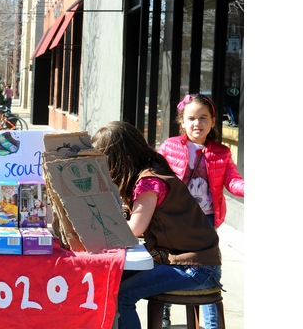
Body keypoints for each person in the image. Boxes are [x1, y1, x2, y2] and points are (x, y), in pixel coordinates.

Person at [91, 121, 222, 329]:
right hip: (182, 260)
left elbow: (135, 229)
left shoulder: (149, 182)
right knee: (109, 277)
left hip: (196, 268)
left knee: (124, 294)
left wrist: (94, 226)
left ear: (122, 158)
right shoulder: (152, 169)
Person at [157, 94, 244, 328]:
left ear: (213, 122)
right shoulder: (169, 146)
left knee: (208, 271)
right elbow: (155, 176)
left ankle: (211, 324)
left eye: (203, 118)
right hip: (173, 219)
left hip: (205, 221)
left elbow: (232, 181)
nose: (198, 123)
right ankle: (164, 312)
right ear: (182, 122)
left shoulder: (222, 152)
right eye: (191, 118)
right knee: (169, 263)